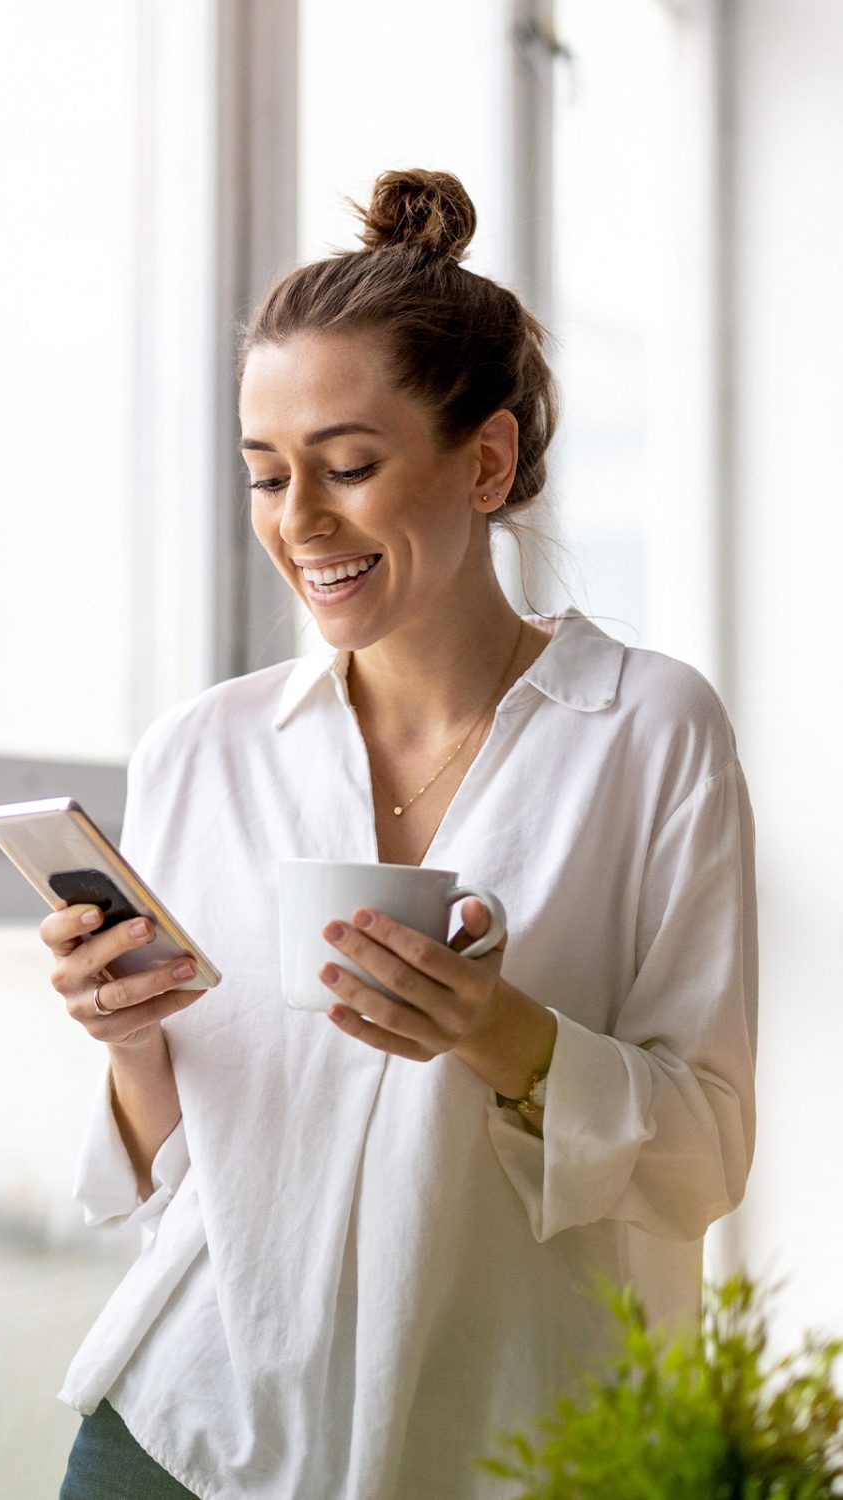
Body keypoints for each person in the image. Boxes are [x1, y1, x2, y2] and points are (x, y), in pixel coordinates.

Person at [43, 169, 758, 1500]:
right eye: (266, 476)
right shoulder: (201, 751)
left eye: (350, 467)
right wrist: (129, 1033)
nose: (299, 521)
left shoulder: (649, 729)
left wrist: (500, 1033)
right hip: (188, 1434)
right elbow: (174, 1169)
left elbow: (704, 1156)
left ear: (485, 461)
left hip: (507, 1443)